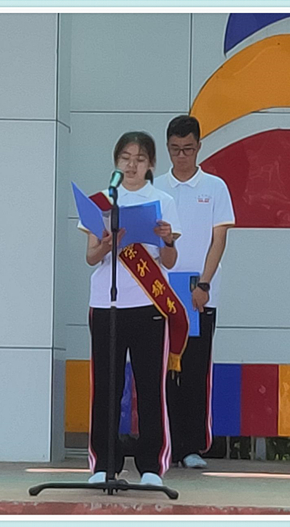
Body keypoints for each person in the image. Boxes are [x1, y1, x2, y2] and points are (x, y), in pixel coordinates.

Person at [82, 131, 183, 486]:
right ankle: (104, 464)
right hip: (106, 304)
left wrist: (167, 239)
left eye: (140, 159)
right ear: (116, 161)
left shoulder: (163, 201)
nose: (132, 165)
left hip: (148, 304)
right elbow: (91, 256)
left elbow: (169, 261)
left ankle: (151, 466)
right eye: (125, 158)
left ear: (151, 164)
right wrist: (107, 244)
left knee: (149, 386)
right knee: (106, 386)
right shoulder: (102, 201)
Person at [154, 116, 235, 469]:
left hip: (198, 294)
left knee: (194, 370)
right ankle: (164, 444)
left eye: (188, 149)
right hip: (160, 292)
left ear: (199, 147)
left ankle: (191, 447)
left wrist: (204, 284)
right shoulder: (156, 188)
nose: (181, 156)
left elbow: (219, 239)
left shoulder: (215, 187)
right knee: (161, 371)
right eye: (175, 150)